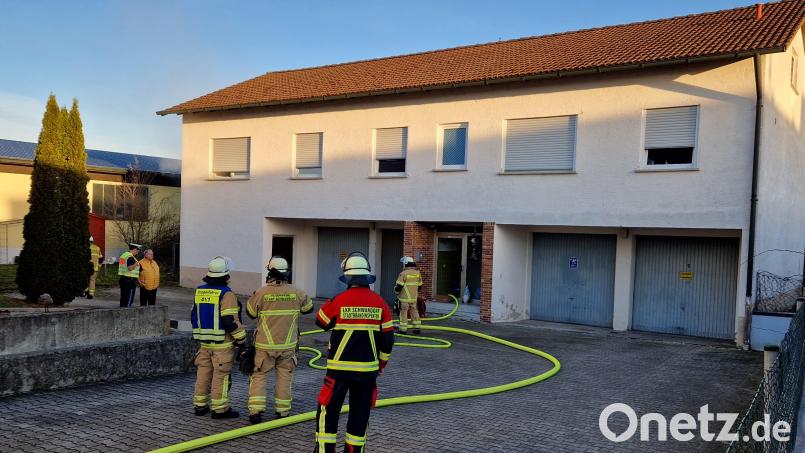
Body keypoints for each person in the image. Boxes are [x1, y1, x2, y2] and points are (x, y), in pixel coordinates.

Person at [314, 252, 394, 453]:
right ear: (367, 276)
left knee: (328, 411)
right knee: (360, 415)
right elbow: (388, 341)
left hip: (338, 372)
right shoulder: (380, 303)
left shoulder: (339, 300)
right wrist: (380, 365)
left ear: (347, 277)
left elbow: (320, 321)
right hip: (367, 373)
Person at [245, 256, 314, 424]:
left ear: (270, 272)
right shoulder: (297, 292)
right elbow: (308, 308)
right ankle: (282, 411)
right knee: (284, 377)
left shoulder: (261, 292)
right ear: (286, 273)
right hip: (288, 345)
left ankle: (255, 412)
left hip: (264, 345)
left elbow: (251, 313)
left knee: (259, 376)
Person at [191, 256, 246, 419]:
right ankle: (220, 409)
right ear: (226, 276)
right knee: (220, 377)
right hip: (222, 345)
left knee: (203, 374)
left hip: (204, 344)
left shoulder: (199, 291)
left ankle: (200, 405)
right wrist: (241, 340)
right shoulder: (226, 294)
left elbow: (193, 315)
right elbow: (230, 321)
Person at [394, 256, 423, 334]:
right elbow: (420, 286)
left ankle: (402, 329)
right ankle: (417, 328)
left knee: (403, 313)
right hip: (413, 298)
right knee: (414, 312)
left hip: (404, 299)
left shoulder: (403, 274)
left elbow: (399, 286)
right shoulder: (418, 273)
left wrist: (396, 292)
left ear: (406, 264)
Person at [118, 244, 142, 308]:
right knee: (128, 299)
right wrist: (135, 264)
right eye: (138, 250)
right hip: (130, 281)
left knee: (123, 298)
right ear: (134, 249)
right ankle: (127, 311)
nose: (138, 252)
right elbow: (130, 268)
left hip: (123, 279)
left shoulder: (124, 255)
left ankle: (122, 310)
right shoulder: (130, 257)